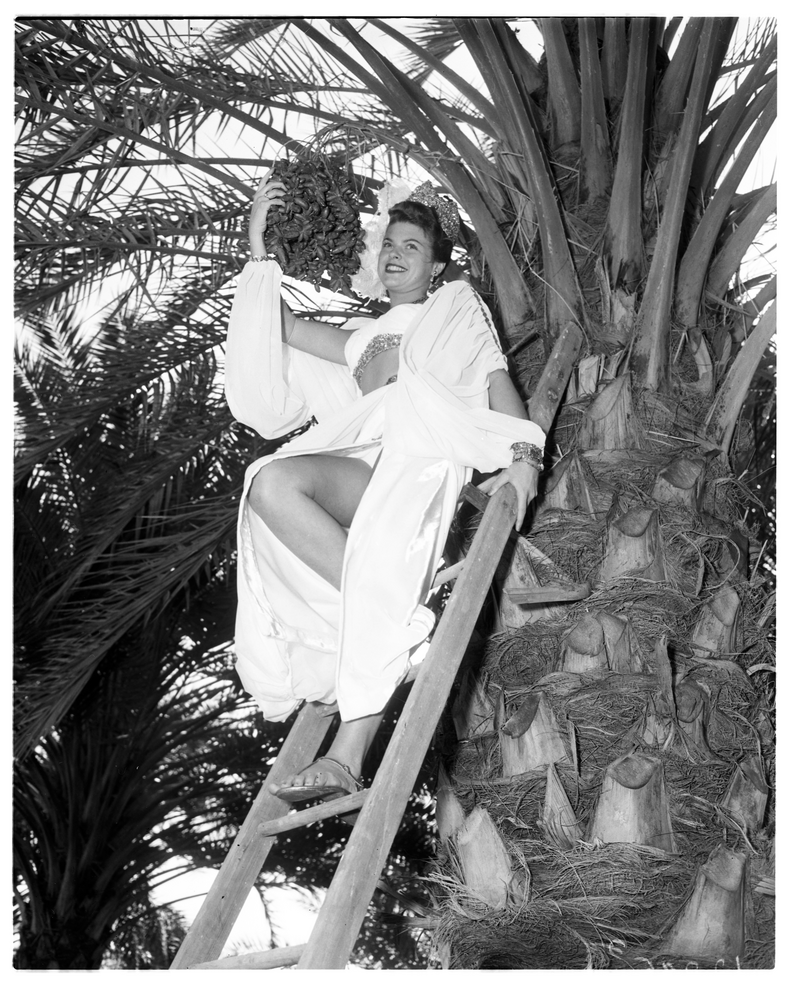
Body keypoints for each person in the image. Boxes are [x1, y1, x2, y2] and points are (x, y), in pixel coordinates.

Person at [224, 172, 545, 805]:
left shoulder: (454, 307)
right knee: (270, 481)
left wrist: (524, 455)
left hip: (423, 454)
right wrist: (259, 244)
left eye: (413, 247)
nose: (395, 253)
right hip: (370, 449)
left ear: (438, 266)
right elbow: (276, 326)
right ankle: (398, 619)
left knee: (346, 531)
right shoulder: (361, 340)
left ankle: (346, 757)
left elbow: (494, 377)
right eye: (389, 243)